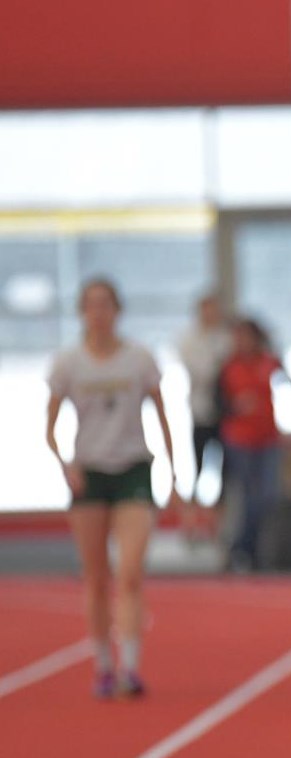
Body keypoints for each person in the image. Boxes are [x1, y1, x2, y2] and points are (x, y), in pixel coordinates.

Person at [45, 278, 177, 699]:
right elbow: (49, 426)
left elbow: (162, 411)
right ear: (82, 312)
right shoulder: (69, 363)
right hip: (90, 473)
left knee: (131, 572)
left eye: (106, 304)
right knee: (97, 577)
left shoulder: (138, 359)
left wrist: (173, 470)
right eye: (91, 305)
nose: (99, 313)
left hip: (134, 469)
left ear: (117, 310)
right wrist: (65, 462)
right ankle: (103, 663)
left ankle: (132, 666)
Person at [216, 318, 285, 572]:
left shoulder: (269, 361)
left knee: (268, 497)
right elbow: (217, 405)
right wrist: (236, 406)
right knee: (248, 498)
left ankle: (245, 548)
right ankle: (244, 550)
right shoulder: (228, 367)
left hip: (268, 439)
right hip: (240, 440)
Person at [176, 292, 232, 543]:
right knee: (197, 470)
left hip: (226, 416)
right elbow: (203, 372)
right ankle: (190, 523)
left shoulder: (226, 338)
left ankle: (216, 527)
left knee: (224, 474)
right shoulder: (189, 341)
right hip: (200, 413)